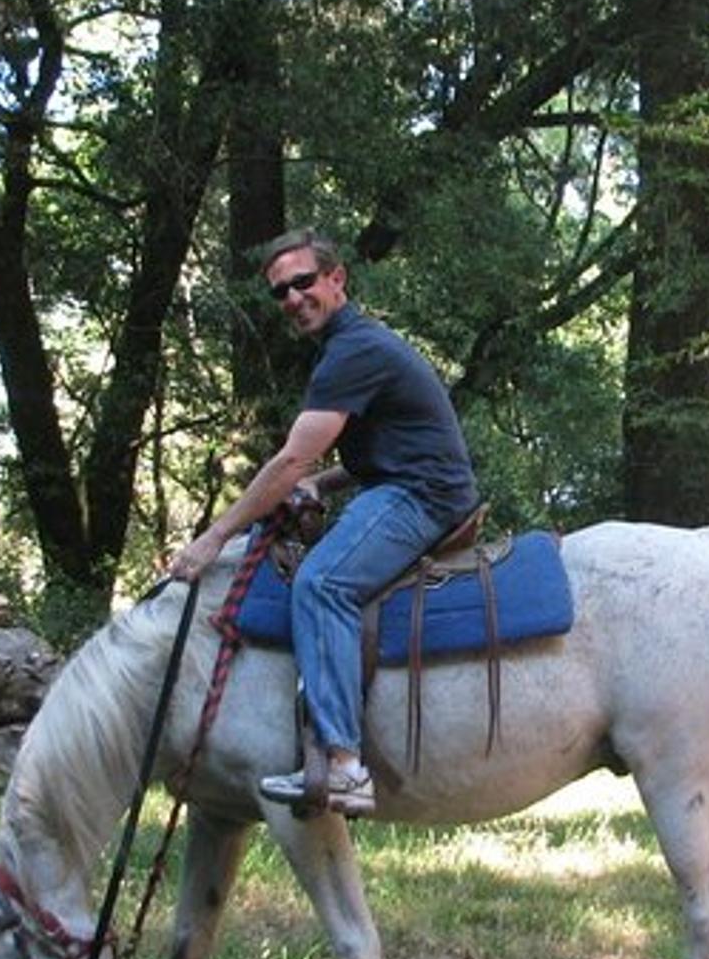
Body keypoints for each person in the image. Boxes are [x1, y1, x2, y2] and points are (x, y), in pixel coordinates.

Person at [168, 229, 479, 816]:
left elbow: (290, 460)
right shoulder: (352, 347)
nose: (292, 297)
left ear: (337, 280)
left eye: (303, 281)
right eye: (280, 291)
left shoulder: (352, 351)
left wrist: (213, 537)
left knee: (322, 584)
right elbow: (381, 448)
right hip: (411, 484)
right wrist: (325, 482)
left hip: (422, 498)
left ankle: (343, 764)